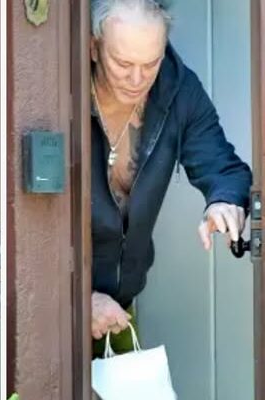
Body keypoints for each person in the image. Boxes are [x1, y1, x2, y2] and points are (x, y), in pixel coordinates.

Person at [89, 0, 252, 353]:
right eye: (122, 64)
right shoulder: (58, 92)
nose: (137, 80)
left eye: (151, 64)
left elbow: (223, 166)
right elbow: (27, 223)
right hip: (54, 306)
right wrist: (77, 299)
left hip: (118, 309)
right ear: (93, 47)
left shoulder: (178, 88)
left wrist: (223, 200)